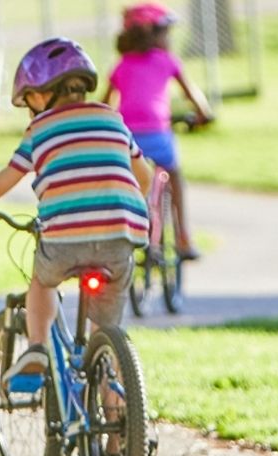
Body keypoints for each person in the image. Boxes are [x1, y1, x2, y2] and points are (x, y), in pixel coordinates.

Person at [0, 37, 152, 379]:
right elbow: (142, 179)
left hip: (64, 241)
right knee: (105, 335)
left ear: (41, 94)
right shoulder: (113, 120)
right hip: (121, 236)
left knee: (42, 283)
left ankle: (38, 348)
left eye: (28, 100)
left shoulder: (39, 130)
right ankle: (119, 417)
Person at [102, 1, 213, 261]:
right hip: (158, 135)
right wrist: (203, 115)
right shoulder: (166, 61)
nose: (169, 39)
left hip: (128, 138)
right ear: (153, 34)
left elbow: (105, 103)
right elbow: (192, 94)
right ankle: (184, 238)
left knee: (133, 184)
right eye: (165, 33)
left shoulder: (121, 66)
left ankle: (132, 233)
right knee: (174, 175)